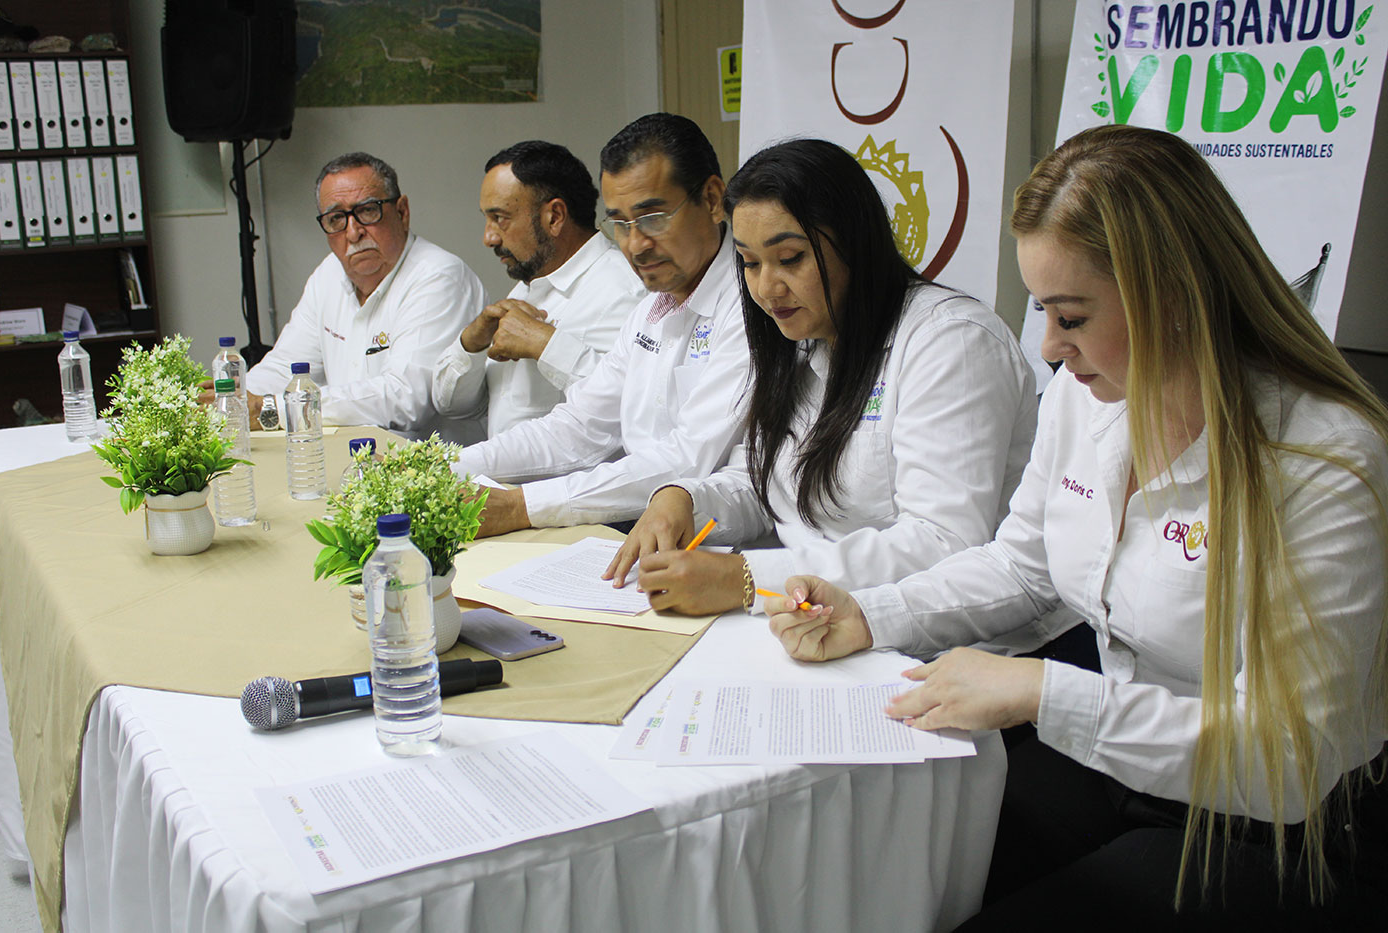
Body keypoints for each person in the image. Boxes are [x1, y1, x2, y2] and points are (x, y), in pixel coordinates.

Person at [765, 124, 1388, 927]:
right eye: (1044, 311)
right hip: (1118, 760)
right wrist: (869, 613)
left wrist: (1041, 691)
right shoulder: (1086, 391)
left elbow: (1286, 760)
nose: (1051, 347)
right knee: (893, 874)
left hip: (1278, 824)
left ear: (1175, 292)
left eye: (1072, 314)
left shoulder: (1321, 459)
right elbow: (1023, 567)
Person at [602, 138, 1038, 618]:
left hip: (932, 635)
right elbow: (761, 482)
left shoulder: (950, 342)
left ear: (855, 243)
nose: (767, 288)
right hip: (807, 617)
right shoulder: (800, 335)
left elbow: (942, 543)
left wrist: (748, 580)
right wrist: (683, 497)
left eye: (790, 258)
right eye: (748, 263)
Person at [458, 113, 750, 536]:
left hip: (730, 553)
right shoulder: (654, 306)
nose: (636, 245)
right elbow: (579, 427)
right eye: (620, 224)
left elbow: (688, 457)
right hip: (648, 537)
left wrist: (522, 507)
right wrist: (449, 466)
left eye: (652, 218)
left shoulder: (750, 301)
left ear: (711, 198)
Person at [218, 152, 487, 442]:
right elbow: (286, 366)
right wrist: (233, 401)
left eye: (368, 211)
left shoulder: (438, 275)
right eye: (336, 219)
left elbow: (406, 398)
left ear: (402, 212)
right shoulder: (329, 274)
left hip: (436, 473)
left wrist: (270, 410)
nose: (354, 232)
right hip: (355, 462)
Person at [431, 141, 644, 435]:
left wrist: (548, 346)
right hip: (498, 476)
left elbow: (638, 411)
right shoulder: (523, 290)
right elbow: (455, 407)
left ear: (554, 217)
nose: (489, 238)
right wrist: (471, 343)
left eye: (500, 218)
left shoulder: (625, 291)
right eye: (487, 219)